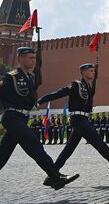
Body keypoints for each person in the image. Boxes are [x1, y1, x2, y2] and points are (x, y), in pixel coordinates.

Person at [0, 47, 79, 190]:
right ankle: (55, 176)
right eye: (30, 58)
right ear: (20, 58)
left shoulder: (30, 77)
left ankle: (54, 177)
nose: (33, 60)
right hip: (12, 117)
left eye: (34, 58)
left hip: (22, 118)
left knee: (3, 153)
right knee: (35, 145)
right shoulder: (10, 77)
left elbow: (28, 97)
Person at [37, 63, 109, 177]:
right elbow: (59, 93)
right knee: (98, 141)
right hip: (78, 119)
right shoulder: (76, 85)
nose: (93, 72)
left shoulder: (89, 86)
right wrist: (40, 101)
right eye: (91, 70)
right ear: (83, 72)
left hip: (84, 118)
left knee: (69, 148)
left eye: (93, 70)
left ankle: (54, 173)